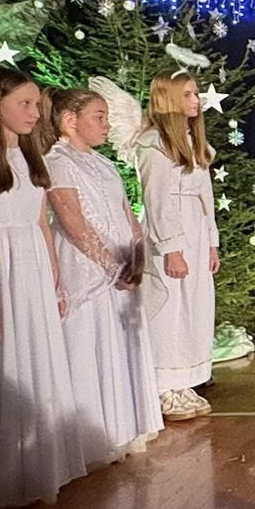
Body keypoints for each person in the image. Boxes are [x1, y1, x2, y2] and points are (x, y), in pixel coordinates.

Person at [0, 68, 99, 505]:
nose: (35, 113)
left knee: (32, 358)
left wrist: (54, 277)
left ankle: (30, 469)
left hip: (29, 271)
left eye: (36, 105)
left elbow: (40, 223)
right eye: (24, 104)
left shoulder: (32, 158)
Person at [48, 88, 164, 460]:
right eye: (99, 117)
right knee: (90, 342)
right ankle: (90, 437)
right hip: (89, 268)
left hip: (122, 267)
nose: (107, 125)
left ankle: (122, 426)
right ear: (70, 120)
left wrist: (137, 256)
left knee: (120, 344)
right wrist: (112, 267)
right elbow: (73, 222)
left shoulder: (103, 163)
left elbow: (128, 213)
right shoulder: (57, 162)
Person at [134, 72, 220, 421]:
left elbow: (205, 196)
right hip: (170, 235)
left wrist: (211, 242)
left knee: (193, 306)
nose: (196, 101)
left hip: (195, 233)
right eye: (187, 94)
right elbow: (156, 200)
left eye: (196, 94)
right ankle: (162, 385)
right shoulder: (153, 144)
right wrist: (171, 248)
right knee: (169, 306)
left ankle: (183, 379)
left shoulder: (194, 143)